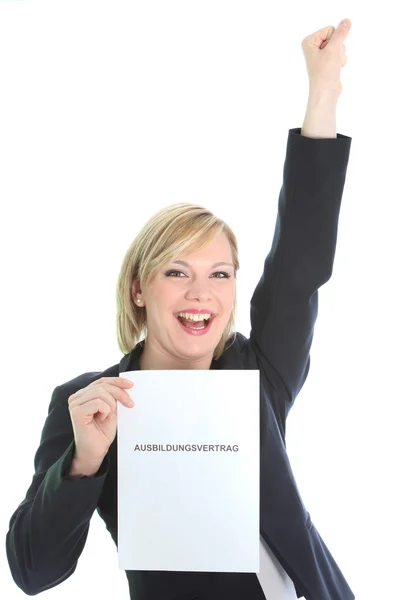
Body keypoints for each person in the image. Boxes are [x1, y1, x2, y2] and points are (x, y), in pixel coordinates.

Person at [6, 18, 355, 600]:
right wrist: (82, 463)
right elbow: (33, 572)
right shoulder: (89, 403)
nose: (202, 294)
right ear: (139, 289)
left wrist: (323, 94)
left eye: (219, 274)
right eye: (177, 273)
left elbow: (297, 270)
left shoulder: (256, 373)